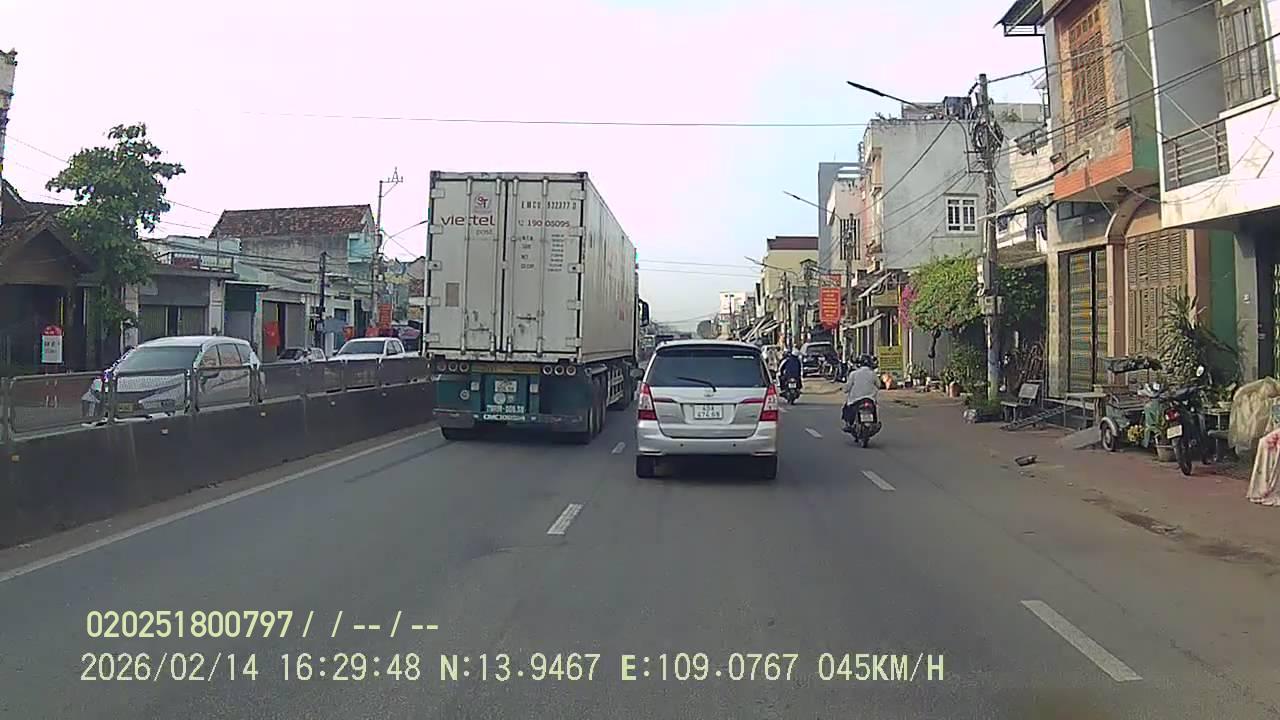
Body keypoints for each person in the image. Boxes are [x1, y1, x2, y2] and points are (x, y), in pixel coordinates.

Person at [841, 354, 881, 429]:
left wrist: (844, 389)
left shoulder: (853, 374)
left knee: (847, 409)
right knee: (874, 408)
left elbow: (847, 387)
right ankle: (875, 422)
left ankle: (848, 425)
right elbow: (879, 385)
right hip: (870, 399)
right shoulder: (873, 374)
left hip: (855, 400)